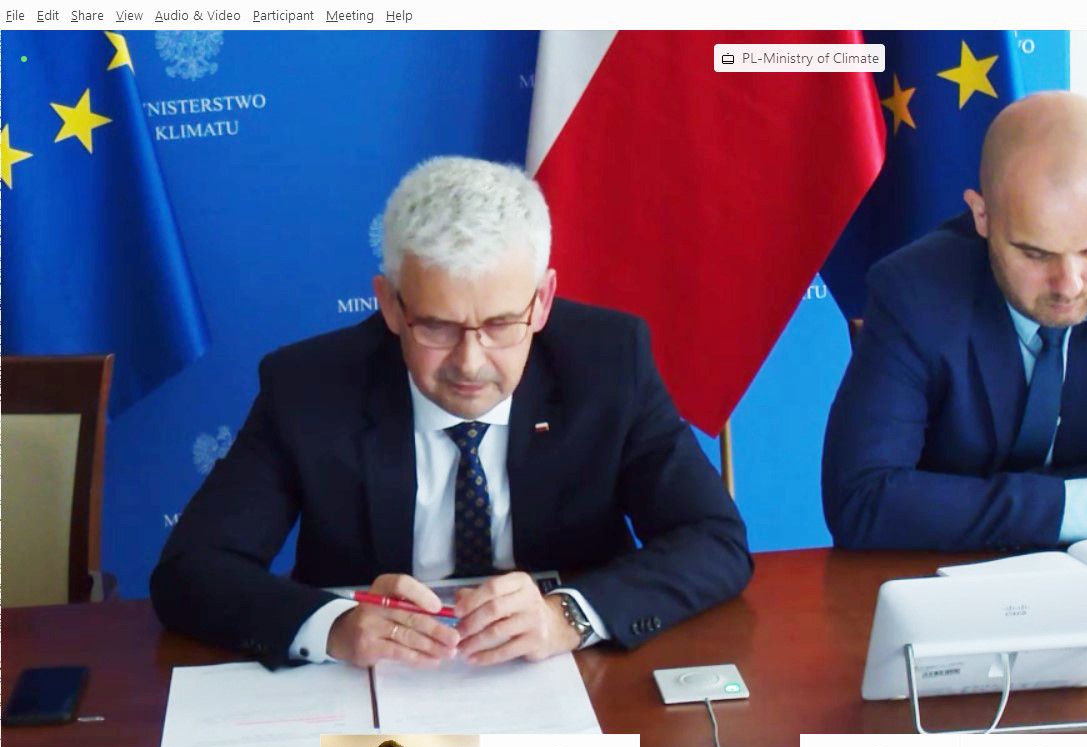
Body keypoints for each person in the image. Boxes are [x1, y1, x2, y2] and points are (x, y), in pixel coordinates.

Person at [152, 157, 752, 669]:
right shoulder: (309, 388)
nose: (470, 362)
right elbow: (190, 571)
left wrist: (568, 614)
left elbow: (714, 540)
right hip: (373, 698)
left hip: (568, 680)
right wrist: (334, 625)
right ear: (391, 305)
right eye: (437, 327)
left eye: (501, 324)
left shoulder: (609, 363)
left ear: (542, 301)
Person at [822, 91, 1087, 551]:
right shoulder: (914, 291)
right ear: (982, 215)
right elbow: (862, 501)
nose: (1069, 284)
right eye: (1036, 254)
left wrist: (955, 501)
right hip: (953, 580)